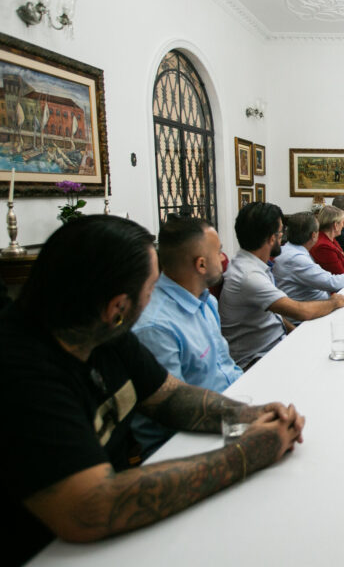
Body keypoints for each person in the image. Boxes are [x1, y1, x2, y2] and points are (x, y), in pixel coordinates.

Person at [0, 215, 304, 565]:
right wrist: (246, 454)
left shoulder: (104, 333)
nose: (154, 297)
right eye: (150, 289)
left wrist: (250, 414)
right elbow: (92, 508)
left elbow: (170, 395)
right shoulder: (22, 371)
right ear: (117, 307)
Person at [131, 215, 244, 458]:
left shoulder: (206, 301)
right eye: (219, 252)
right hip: (187, 443)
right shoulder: (156, 327)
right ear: (201, 264)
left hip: (228, 410)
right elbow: (174, 414)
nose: (224, 258)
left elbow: (225, 368)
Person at [219, 202, 344, 369]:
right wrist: (334, 302)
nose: (283, 236)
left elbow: (275, 312)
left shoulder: (253, 265)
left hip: (276, 345)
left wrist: (295, 334)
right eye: (281, 232)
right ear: (273, 238)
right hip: (258, 359)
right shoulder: (249, 276)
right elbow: (301, 311)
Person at [274, 212, 344, 307]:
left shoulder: (291, 250)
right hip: (313, 311)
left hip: (321, 302)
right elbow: (331, 282)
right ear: (314, 235)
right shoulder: (296, 257)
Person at [310, 205, 344, 275]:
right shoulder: (324, 247)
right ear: (335, 225)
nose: (342, 226)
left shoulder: (331, 240)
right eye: (342, 223)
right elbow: (340, 276)